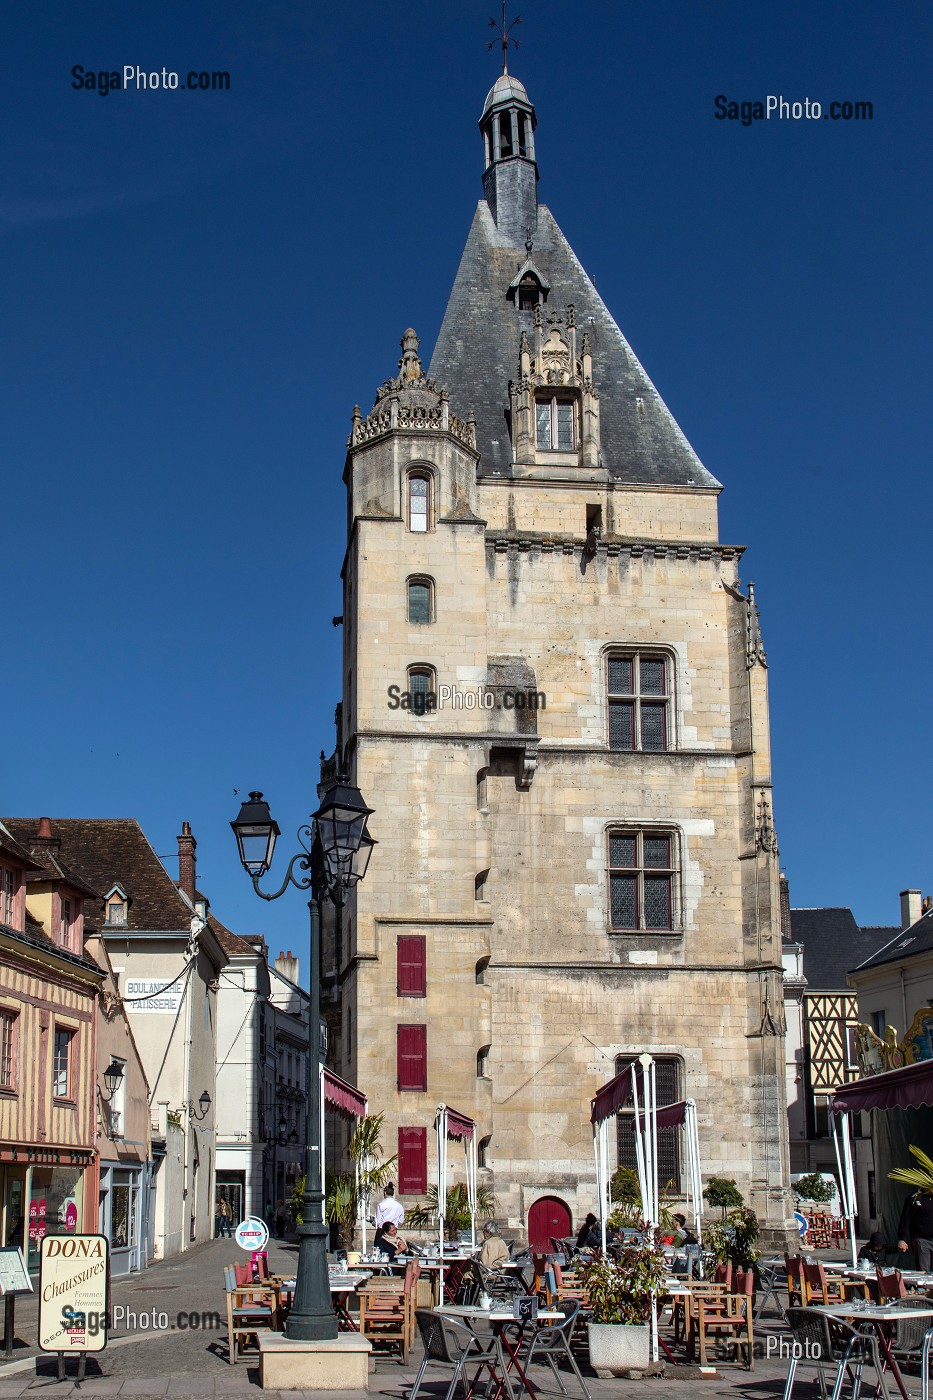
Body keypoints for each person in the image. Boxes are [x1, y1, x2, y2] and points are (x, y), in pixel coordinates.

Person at [897, 1186, 933, 1270]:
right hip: (922, 1239)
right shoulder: (915, 1198)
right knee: (923, 1270)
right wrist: (902, 1239)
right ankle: (924, 1283)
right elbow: (905, 1219)